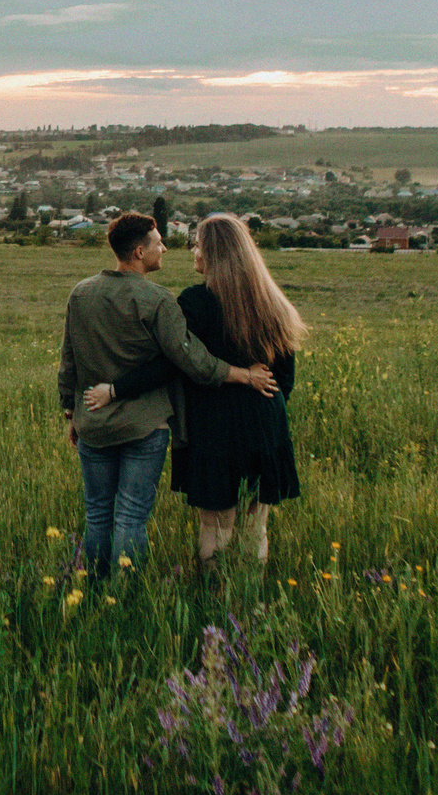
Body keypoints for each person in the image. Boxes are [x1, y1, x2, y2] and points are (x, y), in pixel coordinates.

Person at [57, 212, 275, 578]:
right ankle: (126, 592)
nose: (166, 248)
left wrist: (71, 410)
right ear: (139, 252)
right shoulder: (157, 300)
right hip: (145, 426)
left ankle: (94, 587)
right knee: (130, 516)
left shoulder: (81, 293)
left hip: (92, 420)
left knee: (96, 514)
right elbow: (190, 359)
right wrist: (241, 375)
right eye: (159, 243)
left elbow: (69, 360)